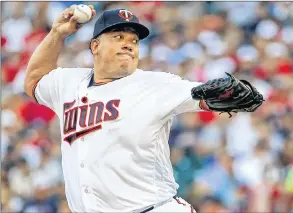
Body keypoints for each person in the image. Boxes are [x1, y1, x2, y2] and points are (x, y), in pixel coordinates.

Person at [24, 5, 262, 213]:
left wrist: (227, 93)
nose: (128, 45)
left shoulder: (155, 85)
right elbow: (34, 80)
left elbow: (200, 95)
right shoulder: (68, 83)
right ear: (95, 46)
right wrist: (57, 33)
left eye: (134, 41)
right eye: (118, 37)